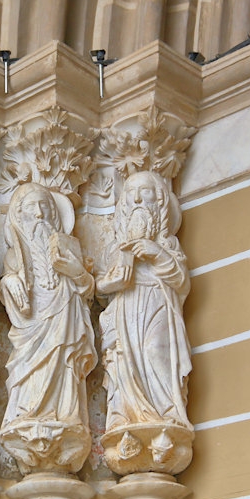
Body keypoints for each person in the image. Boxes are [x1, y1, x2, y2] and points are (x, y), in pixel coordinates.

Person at [0, 182, 97, 471]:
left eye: (46, 206)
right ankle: (28, 412)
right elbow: (7, 285)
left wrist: (76, 273)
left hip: (65, 323)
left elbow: (88, 291)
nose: (40, 214)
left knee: (66, 364)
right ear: (18, 215)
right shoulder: (14, 256)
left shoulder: (69, 249)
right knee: (29, 372)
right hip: (32, 330)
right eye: (32, 207)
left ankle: (65, 414)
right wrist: (10, 283)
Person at [97, 171, 192, 433]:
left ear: (160, 201)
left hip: (158, 305)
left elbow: (182, 282)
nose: (138, 200)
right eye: (131, 194)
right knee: (123, 360)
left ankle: (165, 412)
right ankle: (126, 415)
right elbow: (100, 286)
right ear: (124, 204)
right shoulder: (115, 250)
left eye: (146, 192)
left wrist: (158, 254)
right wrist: (113, 283)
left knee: (154, 351)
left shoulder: (168, 244)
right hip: (124, 309)